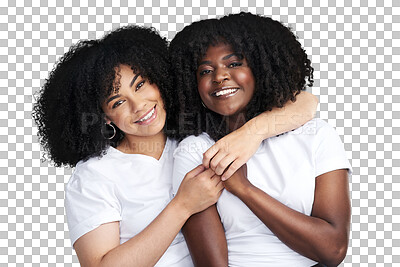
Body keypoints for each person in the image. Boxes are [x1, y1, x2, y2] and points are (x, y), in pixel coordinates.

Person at [33, 25, 317, 266]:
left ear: (158, 79)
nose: (139, 105)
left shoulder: (193, 136)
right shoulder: (94, 176)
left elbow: (306, 102)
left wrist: (251, 134)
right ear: (105, 117)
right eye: (118, 102)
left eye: (141, 84)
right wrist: (182, 205)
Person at [170, 12, 351, 267]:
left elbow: (333, 249)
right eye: (205, 70)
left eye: (233, 64)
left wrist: (245, 190)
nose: (219, 76)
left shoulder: (316, 135)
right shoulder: (196, 151)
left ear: (260, 68)